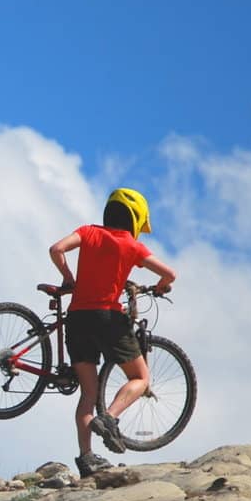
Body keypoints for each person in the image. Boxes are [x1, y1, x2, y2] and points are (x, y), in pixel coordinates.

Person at [47, 187, 177, 478]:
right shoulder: (133, 247)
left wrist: (69, 278)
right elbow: (170, 274)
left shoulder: (88, 232)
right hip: (108, 319)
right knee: (140, 377)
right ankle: (110, 418)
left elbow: (56, 249)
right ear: (134, 219)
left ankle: (87, 458)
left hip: (77, 320)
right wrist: (159, 286)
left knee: (88, 394)